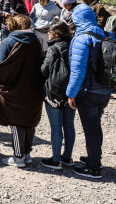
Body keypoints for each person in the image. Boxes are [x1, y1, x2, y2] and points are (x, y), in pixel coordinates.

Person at [67, 3, 113, 179]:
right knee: (96, 126)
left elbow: (78, 70)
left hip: (89, 92)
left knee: (91, 129)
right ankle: (95, 158)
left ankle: (94, 168)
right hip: (105, 91)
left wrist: (71, 93)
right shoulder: (105, 35)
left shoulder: (82, 38)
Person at [0, 14, 44, 167]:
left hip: (14, 88)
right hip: (33, 88)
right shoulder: (36, 41)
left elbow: (0, 66)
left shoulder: (8, 41)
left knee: (16, 122)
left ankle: (18, 156)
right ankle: (27, 153)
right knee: (29, 121)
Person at [40, 21, 75, 170]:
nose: (48, 33)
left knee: (56, 127)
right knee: (69, 125)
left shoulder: (53, 48)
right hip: (71, 92)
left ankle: (55, 160)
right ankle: (67, 157)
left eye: (50, 31)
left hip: (54, 92)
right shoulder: (74, 45)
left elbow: (44, 70)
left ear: (57, 34)